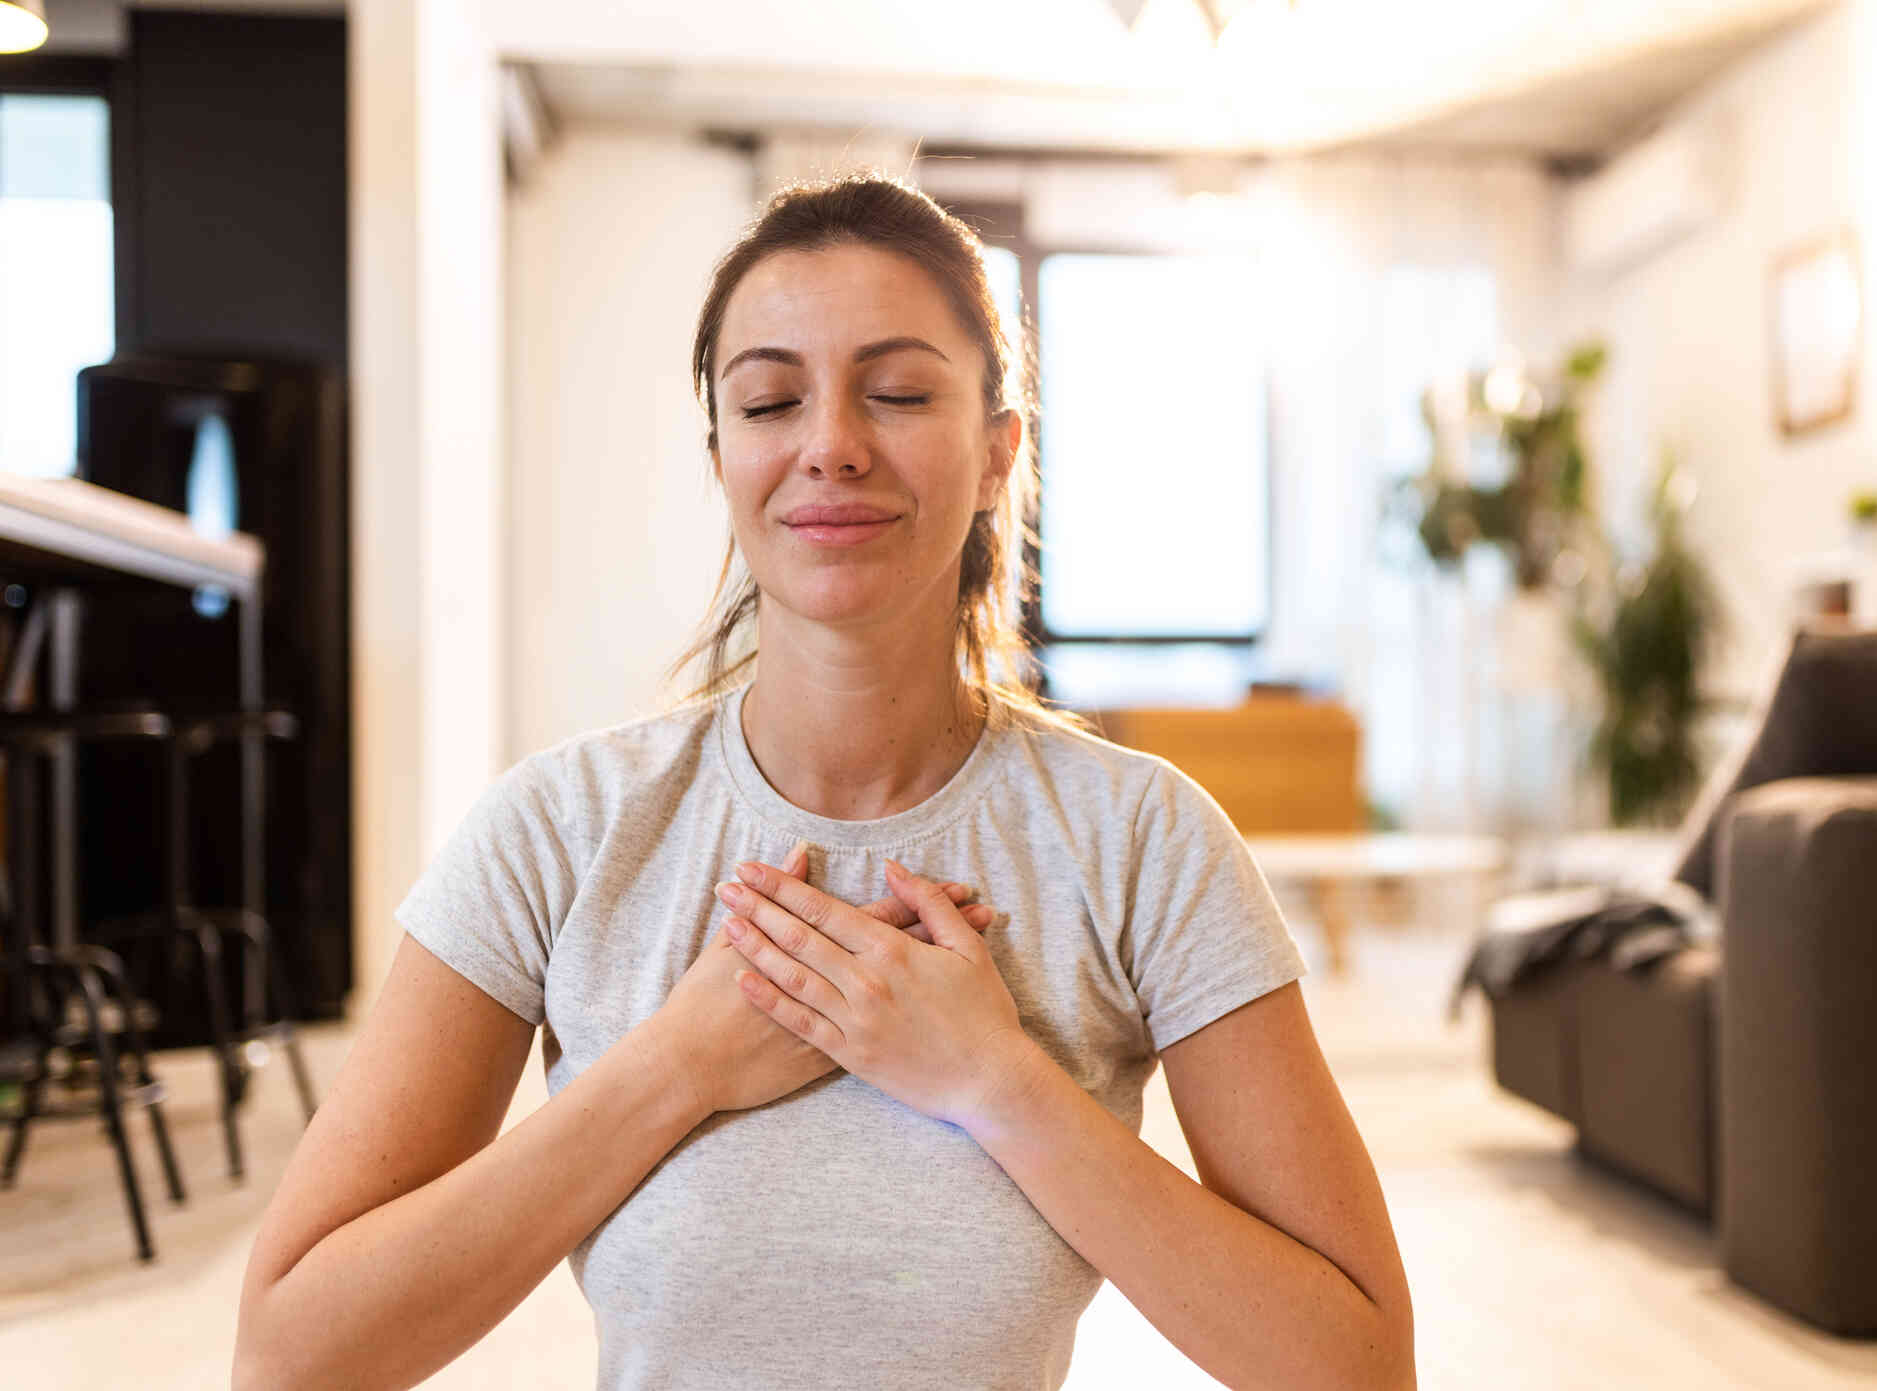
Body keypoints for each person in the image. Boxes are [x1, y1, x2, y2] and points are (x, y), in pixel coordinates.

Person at [233, 174, 1414, 1391]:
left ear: (999, 452)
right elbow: (290, 1354)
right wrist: (675, 1067)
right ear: (722, 458)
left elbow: (1357, 1365)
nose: (831, 444)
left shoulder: (1141, 840)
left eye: (897, 392)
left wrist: (996, 1084)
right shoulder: (559, 832)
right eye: (769, 399)